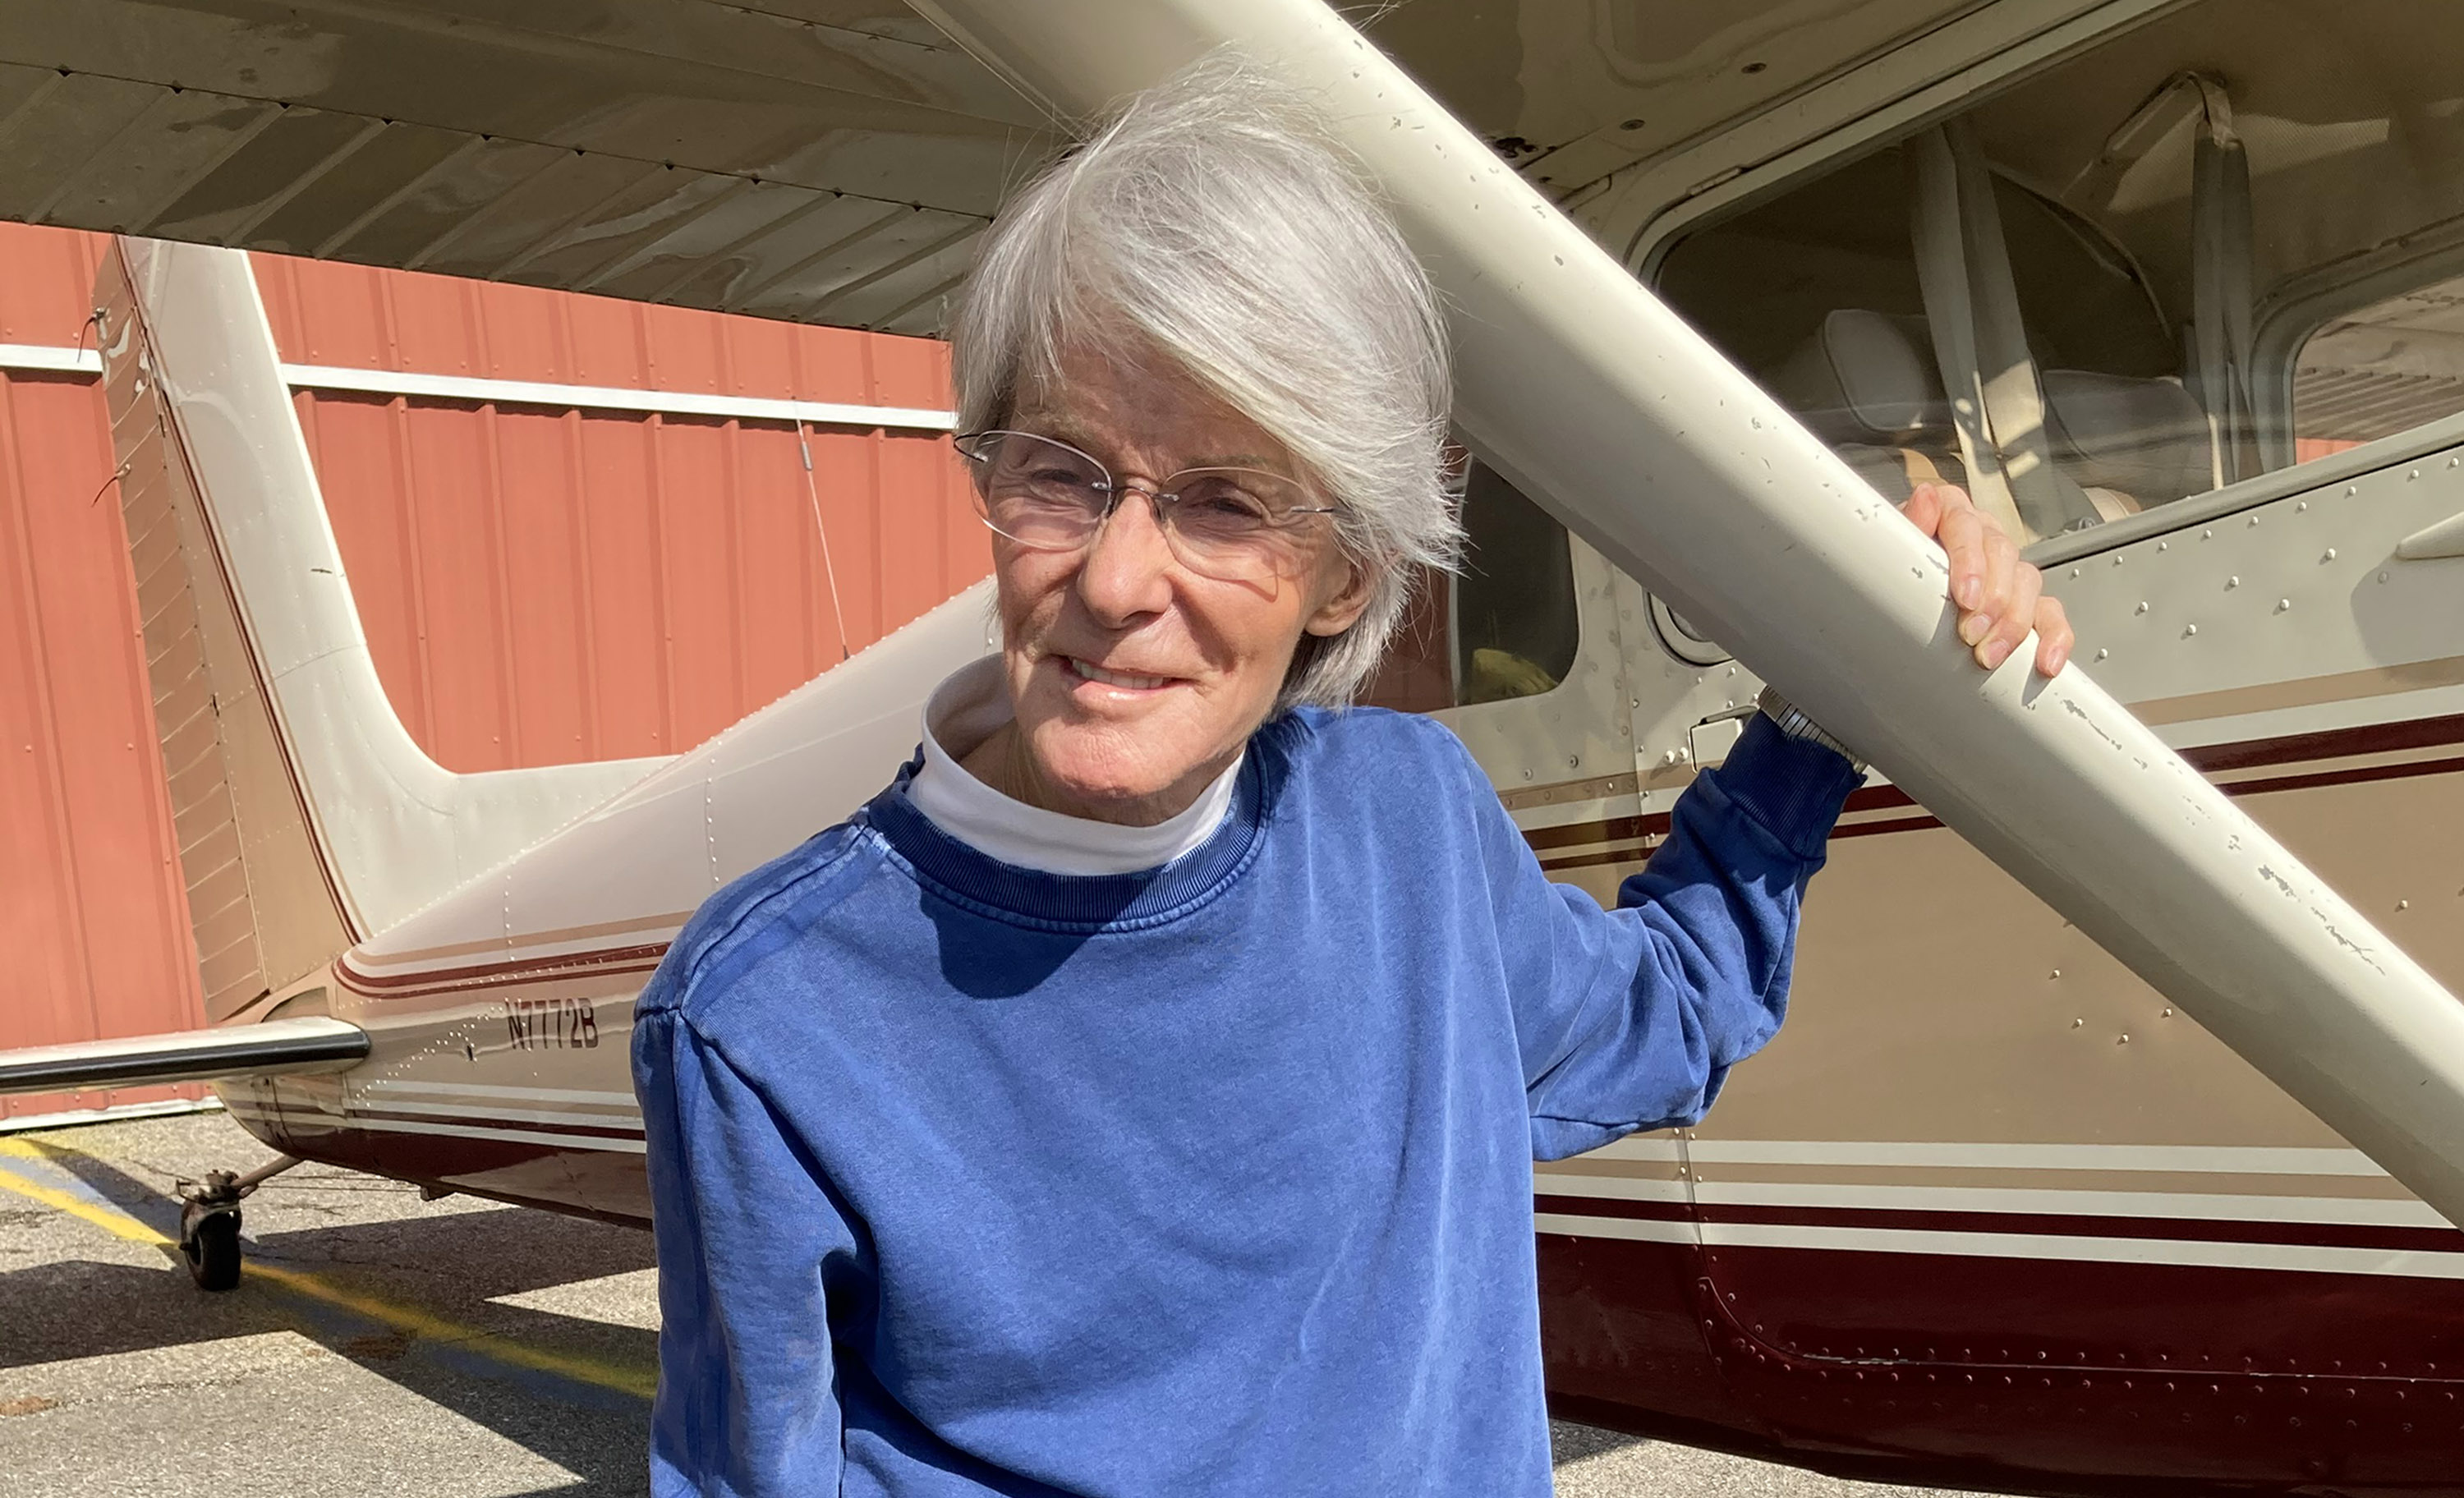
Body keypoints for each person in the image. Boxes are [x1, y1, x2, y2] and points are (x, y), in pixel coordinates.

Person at [631, 56, 2072, 1498]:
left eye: (1230, 502)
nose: (1118, 578)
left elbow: (1668, 1010)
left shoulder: (1409, 823)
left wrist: (1836, 695)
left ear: (1349, 576)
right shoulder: (762, 1014)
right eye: (1061, 473)